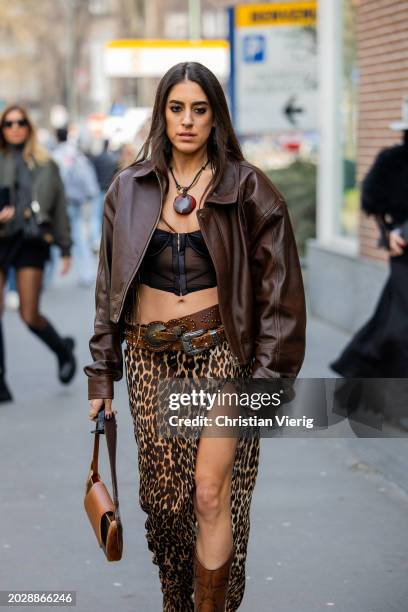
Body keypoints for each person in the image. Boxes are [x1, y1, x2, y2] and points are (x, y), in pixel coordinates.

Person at [85, 62, 306, 611]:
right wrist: (100, 377)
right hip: (148, 359)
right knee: (164, 509)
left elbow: (281, 294)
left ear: (215, 117)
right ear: (162, 113)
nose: (187, 120)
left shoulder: (249, 188)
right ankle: (175, 601)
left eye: (199, 109)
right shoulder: (128, 189)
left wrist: (267, 380)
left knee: (210, 494)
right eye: (177, 108)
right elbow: (107, 288)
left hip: (223, 356)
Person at [0, 104, 76, 403]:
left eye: (20, 123)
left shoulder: (47, 164)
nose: (15, 128)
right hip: (1, 238)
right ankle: (1, 381)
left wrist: (67, 248)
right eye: (8, 124)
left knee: (28, 314)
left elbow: (60, 209)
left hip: (32, 240)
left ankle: (63, 351)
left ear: (29, 127)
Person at [331, 122, 408, 378]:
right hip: (404, 252)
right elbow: (373, 202)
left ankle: (365, 371)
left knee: (389, 320)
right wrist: (388, 236)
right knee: (398, 324)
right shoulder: (393, 160)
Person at [53, 127, 99, 287]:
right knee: (80, 237)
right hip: (78, 200)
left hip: (62, 203)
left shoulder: (56, 155)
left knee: (56, 236)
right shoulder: (76, 153)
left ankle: (48, 276)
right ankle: (87, 273)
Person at [88, 139, 119, 253]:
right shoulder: (113, 159)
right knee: (107, 216)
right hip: (109, 190)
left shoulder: (97, 158)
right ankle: (105, 241)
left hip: (98, 190)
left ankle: (95, 242)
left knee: (95, 217)